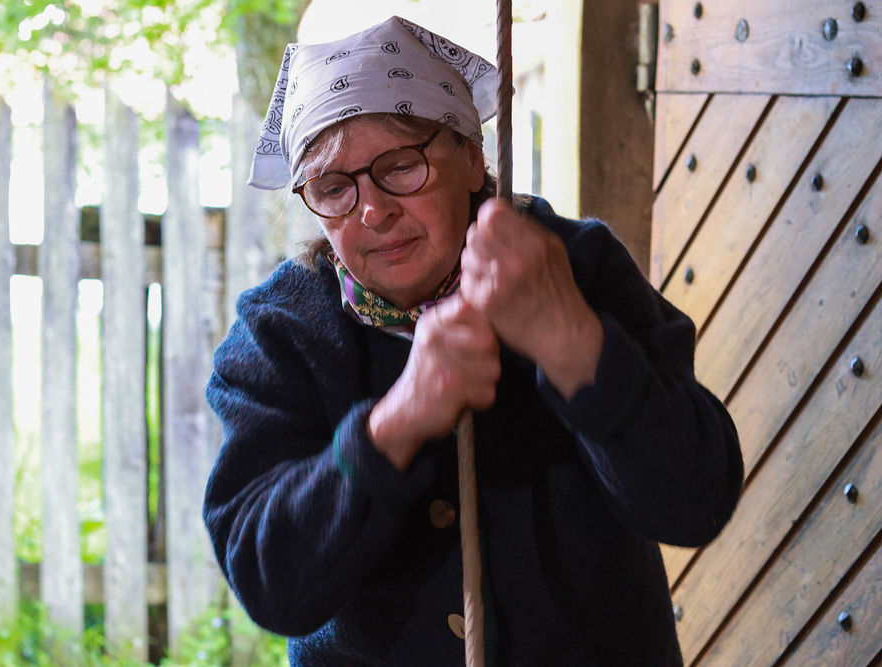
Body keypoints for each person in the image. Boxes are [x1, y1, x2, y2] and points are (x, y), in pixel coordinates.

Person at [203, 15, 743, 666]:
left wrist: (574, 342)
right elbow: (269, 582)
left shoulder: (577, 266)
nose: (372, 210)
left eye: (401, 165)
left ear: (470, 155)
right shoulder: (280, 332)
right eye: (333, 187)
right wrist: (395, 424)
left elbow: (695, 503)